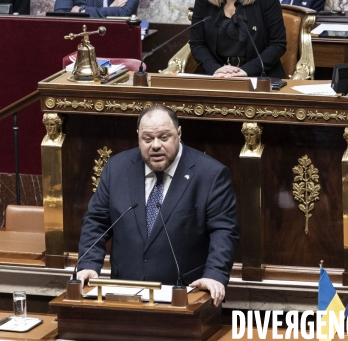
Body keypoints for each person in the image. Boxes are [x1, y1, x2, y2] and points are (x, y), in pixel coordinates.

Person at [77, 105, 239, 307]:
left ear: (178, 134)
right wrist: (89, 264)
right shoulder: (117, 169)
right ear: (138, 137)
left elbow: (224, 231)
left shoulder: (210, 174)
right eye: (147, 139)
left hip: (186, 295)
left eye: (164, 137)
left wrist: (215, 274)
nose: (155, 145)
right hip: (124, 295)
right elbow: (97, 221)